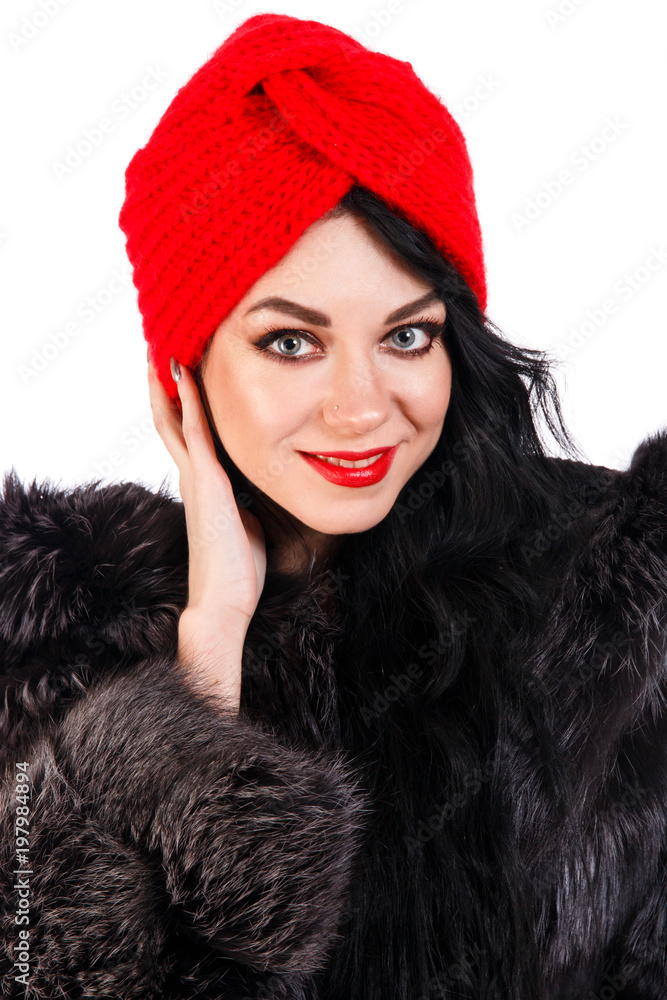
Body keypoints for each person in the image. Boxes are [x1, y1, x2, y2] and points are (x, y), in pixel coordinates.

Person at [1, 11, 666, 999]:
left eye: (406, 336)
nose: (361, 408)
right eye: (289, 342)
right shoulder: (56, 622)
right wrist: (204, 669)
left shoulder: (612, 598)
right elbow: (35, 966)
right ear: (180, 369)